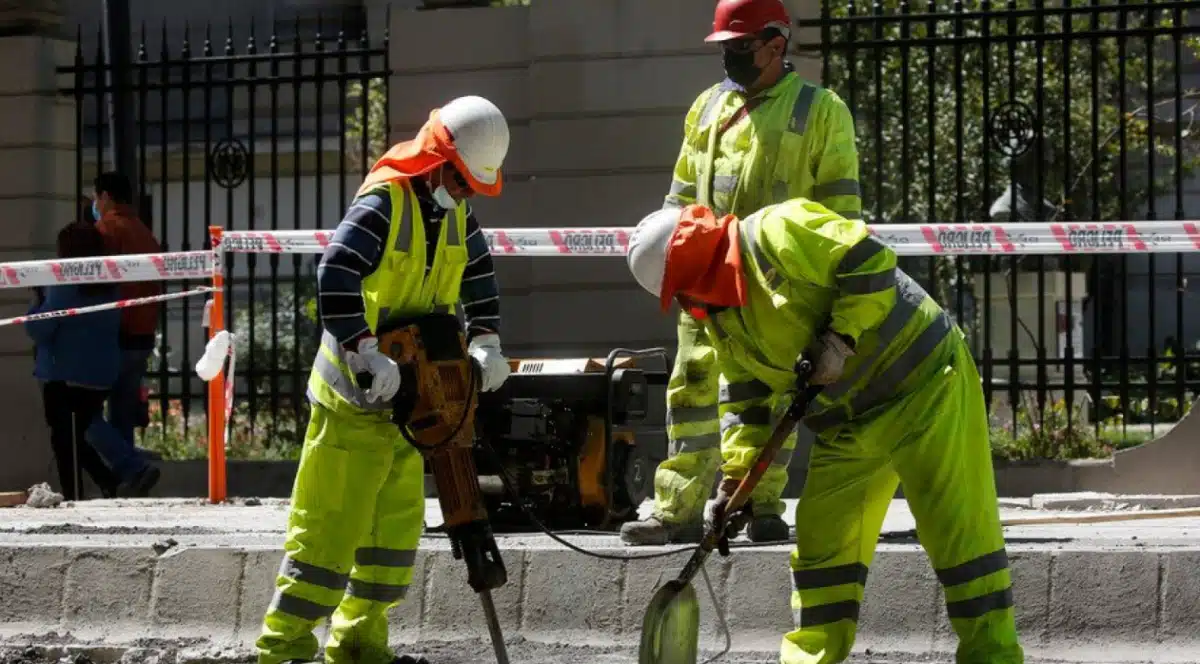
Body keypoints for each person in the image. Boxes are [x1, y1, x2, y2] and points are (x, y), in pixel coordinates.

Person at [625, 199, 1025, 664]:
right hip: (849, 423)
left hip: (924, 386)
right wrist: (737, 483)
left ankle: (993, 656)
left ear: (699, 268)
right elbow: (746, 399)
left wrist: (840, 338)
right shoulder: (721, 316)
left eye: (681, 291)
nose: (685, 304)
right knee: (822, 553)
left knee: (961, 541)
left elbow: (870, 261)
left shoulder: (779, 230)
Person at [256, 95, 513, 664]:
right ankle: (284, 650)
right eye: (464, 180)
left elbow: (478, 272)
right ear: (438, 160)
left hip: (411, 403)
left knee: (390, 541)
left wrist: (487, 338)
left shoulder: (456, 214)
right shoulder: (384, 203)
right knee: (326, 536)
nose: (469, 192)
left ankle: (360, 645)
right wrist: (363, 350)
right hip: (355, 402)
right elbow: (335, 269)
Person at [620, 0, 864, 546]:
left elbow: (841, 215)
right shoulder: (708, 107)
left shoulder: (821, 111)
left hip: (774, 285)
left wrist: (830, 293)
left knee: (764, 396)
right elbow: (679, 198)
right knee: (690, 393)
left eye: (740, 46)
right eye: (725, 48)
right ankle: (675, 506)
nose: (729, 57)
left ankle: (759, 505)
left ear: (777, 45)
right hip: (703, 275)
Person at [26, 223, 124, 501]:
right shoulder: (109, 280)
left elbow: (40, 329)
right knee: (74, 436)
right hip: (101, 374)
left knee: (64, 439)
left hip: (64, 374)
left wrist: (37, 300)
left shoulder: (63, 282)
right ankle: (108, 480)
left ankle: (76, 494)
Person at [91, 171, 165, 469]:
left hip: (115, 333)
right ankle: (129, 476)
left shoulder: (107, 230)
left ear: (106, 196)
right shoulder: (144, 232)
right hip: (142, 334)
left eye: (97, 197)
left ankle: (131, 466)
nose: (96, 203)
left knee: (84, 413)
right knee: (122, 413)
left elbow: (97, 282)